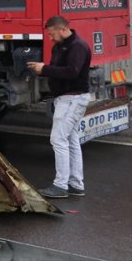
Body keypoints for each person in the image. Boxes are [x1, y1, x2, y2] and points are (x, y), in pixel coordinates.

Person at [27, 15, 93, 199]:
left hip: (71, 99)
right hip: (69, 99)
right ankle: (75, 184)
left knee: (58, 140)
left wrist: (45, 69)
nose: (50, 38)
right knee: (71, 140)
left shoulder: (77, 46)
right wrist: (43, 68)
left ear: (62, 29)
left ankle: (60, 186)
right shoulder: (64, 45)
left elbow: (72, 72)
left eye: (51, 34)